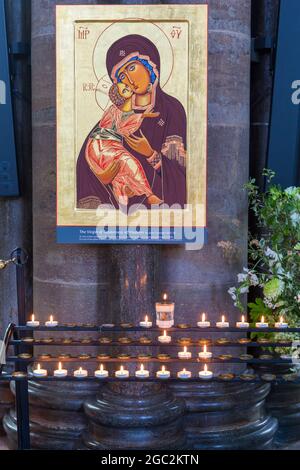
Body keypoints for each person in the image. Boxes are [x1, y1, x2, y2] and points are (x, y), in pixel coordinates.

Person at [77, 34, 187, 210]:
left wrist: (150, 154)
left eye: (132, 67)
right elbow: (87, 166)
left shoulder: (171, 110)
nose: (129, 79)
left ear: (149, 65)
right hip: (118, 213)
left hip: (162, 209)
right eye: (121, 77)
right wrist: (103, 174)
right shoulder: (116, 115)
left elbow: (181, 172)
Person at [85, 81, 162, 206]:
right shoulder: (114, 111)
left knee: (120, 170)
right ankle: (149, 195)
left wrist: (143, 115)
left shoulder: (125, 110)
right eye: (124, 89)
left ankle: (124, 191)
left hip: (110, 144)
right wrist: (143, 116)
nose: (128, 86)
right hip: (100, 145)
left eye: (126, 86)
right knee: (129, 162)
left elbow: (130, 119)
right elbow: (124, 125)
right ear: (121, 98)